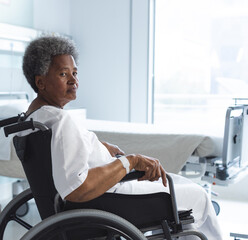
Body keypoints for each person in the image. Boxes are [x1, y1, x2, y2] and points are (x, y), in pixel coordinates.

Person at [21, 35, 223, 239]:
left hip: (105, 196)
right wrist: (131, 161)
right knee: (199, 197)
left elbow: (64, 151)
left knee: (180, 184)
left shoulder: (38, 119)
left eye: (75, 73)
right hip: (110, 200)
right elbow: (77, 188)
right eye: (64, 74)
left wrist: (97, 146)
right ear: (41, 82)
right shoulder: (61, 120)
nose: (74, 80)